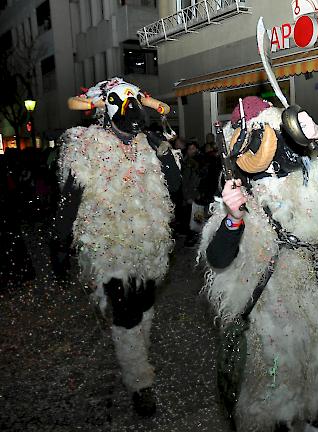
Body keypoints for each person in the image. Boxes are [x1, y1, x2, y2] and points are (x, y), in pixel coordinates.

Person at [199, 96, 318, 432]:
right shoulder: (240, 195)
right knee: (279, 402)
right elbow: (218, 258)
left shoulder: (313, 182)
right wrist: (232, 219)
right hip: (272, 319)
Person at [52, 78, 181, 416]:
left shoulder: (149, 144)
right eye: (118, 100)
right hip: (108, 244)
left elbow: (177, 186)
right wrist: (59, 240)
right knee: (125, 312)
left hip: (148, 243)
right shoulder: (87, 145)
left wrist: (165, 153)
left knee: (144, 305)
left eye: (133, 100)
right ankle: (140, 382)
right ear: (103, 108)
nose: (129, 108)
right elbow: (72, 194)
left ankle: (139, 354)